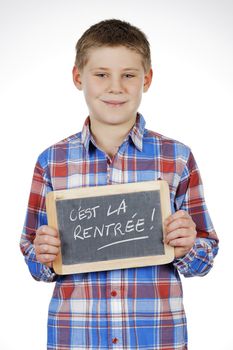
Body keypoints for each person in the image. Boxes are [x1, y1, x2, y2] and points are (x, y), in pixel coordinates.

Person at [20, 19, 219, 350]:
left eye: (129, 75)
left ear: (147, 79)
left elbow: (206, 253)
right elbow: (31, 248)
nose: (116, 87)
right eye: (101, 75)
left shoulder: (177, 158)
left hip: (156, 338)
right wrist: (41, 255)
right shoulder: (51, 162)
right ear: (78, 77)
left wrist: (187, 247)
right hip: (76, 337)